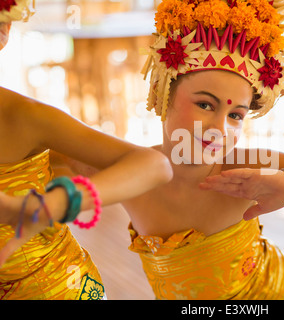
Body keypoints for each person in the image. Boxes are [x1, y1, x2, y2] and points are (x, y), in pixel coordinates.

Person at [1, 0, 284, 300]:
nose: (219, 128)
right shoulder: (125, 170)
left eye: (237, 117)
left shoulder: (245, 167)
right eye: (204, 105)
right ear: (162, 94)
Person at [0, 1, 173, 300]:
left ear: (5, 30)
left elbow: (154, 165)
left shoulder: (22, 116)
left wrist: (54, 203)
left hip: (53, 289)